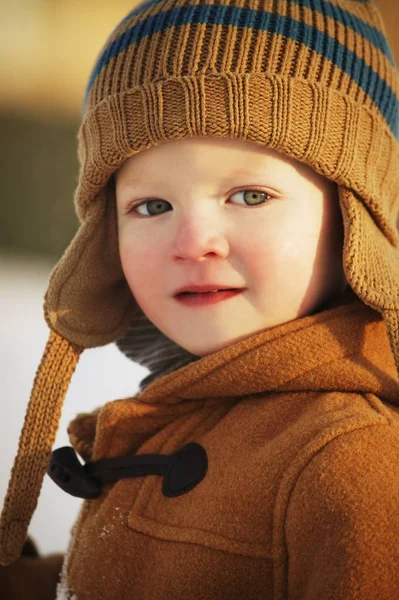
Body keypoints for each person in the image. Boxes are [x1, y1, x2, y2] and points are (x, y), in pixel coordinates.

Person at [1, 0, 398, 598]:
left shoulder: (348, 464)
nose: (193, 243)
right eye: (152, 206)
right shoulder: (192, 407)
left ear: (355, 215)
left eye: (250, 196)